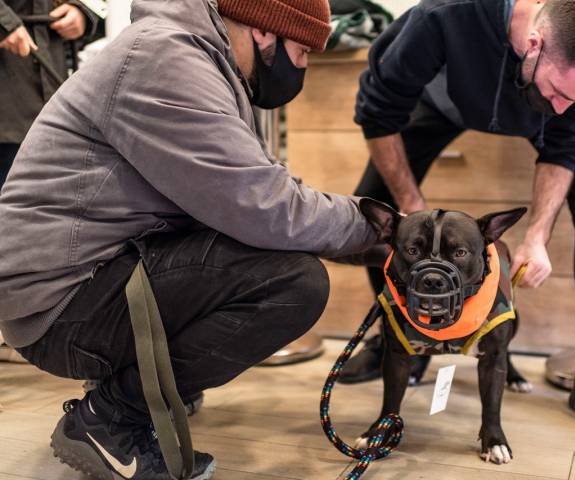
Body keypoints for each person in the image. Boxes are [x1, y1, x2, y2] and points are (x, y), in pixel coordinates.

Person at [0, 0, 379, 478]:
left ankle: (128, 399)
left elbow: (259, 193)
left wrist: (368, 239)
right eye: (303, 51)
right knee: (291, 284)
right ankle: (110, 419)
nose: (302, 66)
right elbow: (265, 207)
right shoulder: (167, 61)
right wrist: (381, 228)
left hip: (80, 276)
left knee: (270, 255)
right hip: (59, 305)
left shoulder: (200, 60)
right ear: (265, 33)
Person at [340, 0, 575, 440]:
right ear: (534, 43)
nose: (562, 109)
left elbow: (564, 144)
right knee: (378, 204)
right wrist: (412, 208)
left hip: (527, 102)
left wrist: (537, 236)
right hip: (444, 102)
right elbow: (378, 110)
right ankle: (405, 336)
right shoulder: (443, 16)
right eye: (560, 93)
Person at [0, 0, 100, 188]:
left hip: (55, 93)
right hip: (8, 96)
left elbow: (99, 8)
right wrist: (4, 22)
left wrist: (82, 11)